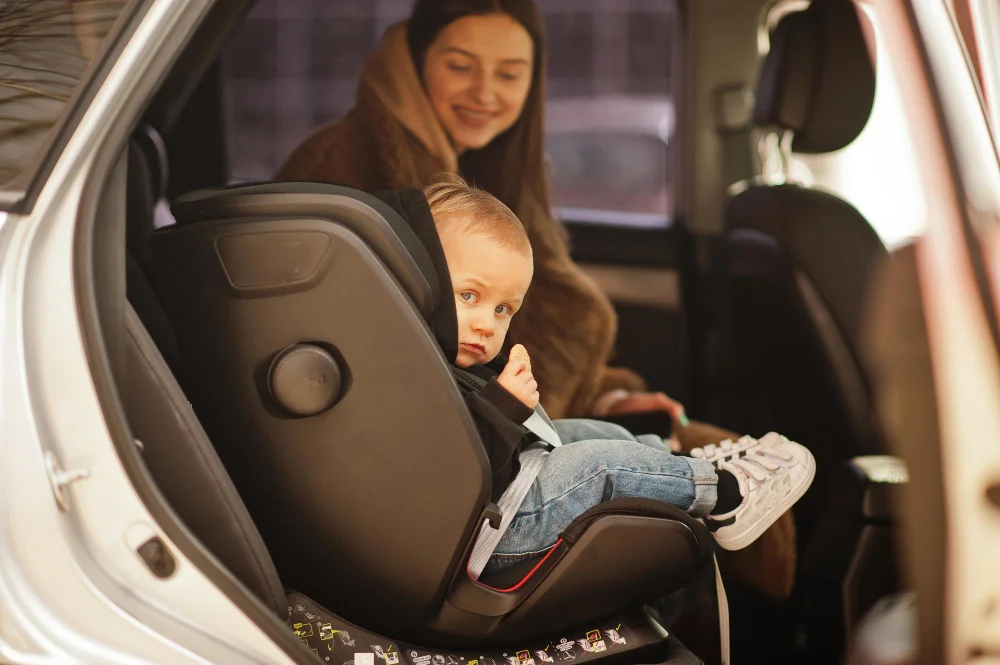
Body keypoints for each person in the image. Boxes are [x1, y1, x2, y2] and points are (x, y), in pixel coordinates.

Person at [277, 0, 798, 600]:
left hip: (518, 428)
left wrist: (612, 392)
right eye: (461, 65)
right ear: (415, 62)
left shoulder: (504, 173)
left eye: (509, 73)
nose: (485, 92)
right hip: (463, 476)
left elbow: (524, 334)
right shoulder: (350, 171)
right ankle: (720, 506)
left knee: (648, 445)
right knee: (659, 484)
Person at [413, 174, 814, 575]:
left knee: (593, 435)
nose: (487, 324)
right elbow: (457, 465)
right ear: (421, 281)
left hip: (500, 505)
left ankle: (675, 464)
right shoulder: (408, 368)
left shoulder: (446, 356)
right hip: (489, 535)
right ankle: (724, 496)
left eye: (503, 310)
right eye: (469, 296)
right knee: (597, 464)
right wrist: (501, 409)